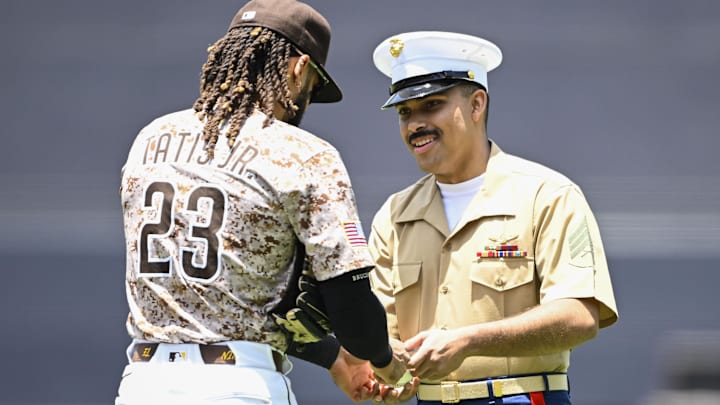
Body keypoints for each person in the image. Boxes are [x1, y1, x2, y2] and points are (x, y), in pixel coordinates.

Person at [115, 1, 407, 403]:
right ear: (299, 67)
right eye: (313, 88)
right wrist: (383, 358)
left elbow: (216, 301)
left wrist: (336, 359)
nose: (307, 100)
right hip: (239, 386)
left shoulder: (149, 140)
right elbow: (352, 307)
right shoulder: (304, 154)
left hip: (143, 383)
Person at [366, 31, 619, 404]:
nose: (415, 123)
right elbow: (380, 333)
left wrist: (468, 341)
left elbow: (579, 316)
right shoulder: (394, 216)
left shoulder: (546, 195)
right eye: (405, 112)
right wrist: (383, 367)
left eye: (431, 105)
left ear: (476, 104)